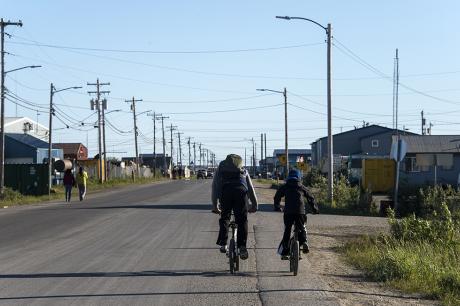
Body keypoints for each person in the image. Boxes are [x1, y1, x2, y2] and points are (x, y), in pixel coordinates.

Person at [211, 154, 258, 260]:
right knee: (242, 220)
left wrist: (215, 205)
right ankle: (242, 248)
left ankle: (223, 243)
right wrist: (255, 205)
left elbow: (215, 187)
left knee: (225, 217)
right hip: (241, 193)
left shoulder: (220, 171)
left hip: (226, 192)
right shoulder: (243, 171)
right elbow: (250, 188)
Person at [274, 169, 319, 259]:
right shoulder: (301, 187)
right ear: (299, 177)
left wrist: (277, 207)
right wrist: (315, 209)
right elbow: (311, 198)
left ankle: (285, 251)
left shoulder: (285, 186)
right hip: (300, 212)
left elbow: (277, 196)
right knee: (302, 227)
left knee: (287, 230)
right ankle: (304, 242)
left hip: (288, 212)